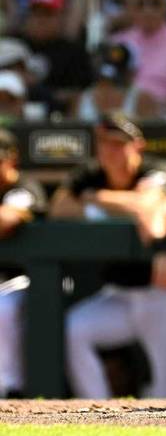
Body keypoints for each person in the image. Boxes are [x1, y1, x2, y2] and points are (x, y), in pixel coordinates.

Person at [50, 113, 166, 398]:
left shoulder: (155, 168)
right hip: (120, 295)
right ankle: (98, 413)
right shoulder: (89, 174)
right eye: (105, 143)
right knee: (74, 328)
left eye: (119, 144)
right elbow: (59, 208)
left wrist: (96, 199)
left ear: (138, 146)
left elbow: (148, 204)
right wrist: (120, 204)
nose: (111, 151)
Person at [0, 129, 47, 398]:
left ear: (11, 159)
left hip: (24, 279)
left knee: (3, 309)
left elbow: (6, 219)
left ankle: (11, 391)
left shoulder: (25, 187)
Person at [21, 0, 91, 115]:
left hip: (61, 120)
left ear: (61, 17)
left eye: (48, 14)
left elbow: (82, 92)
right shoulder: (12, 46)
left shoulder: (75, 52)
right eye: (36, 13)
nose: (41, 20)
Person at [73, 42, 158, 120]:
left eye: (116, 81)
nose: (109, 90)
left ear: (131, 72)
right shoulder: (80, 99)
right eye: (105, 79)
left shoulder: (143, 100)